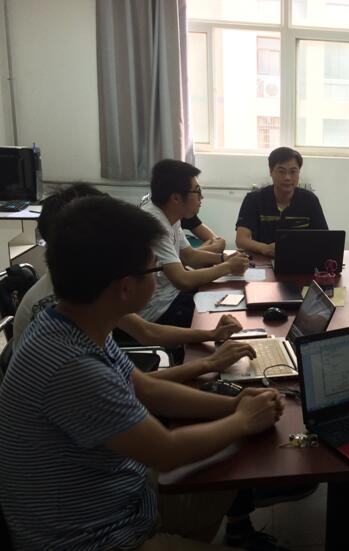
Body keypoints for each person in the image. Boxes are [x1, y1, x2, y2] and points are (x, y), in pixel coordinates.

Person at [0, 195, 284, 550]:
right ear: (125, 288)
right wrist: (242, 420)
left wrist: (234, 405)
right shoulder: (71, 365)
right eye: (155, 271)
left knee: (226, 468)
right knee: (226, 453)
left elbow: (146, 388)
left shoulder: (74, 323)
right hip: (97, 539)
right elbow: (165, 451)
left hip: (123, 497)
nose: (159, 278)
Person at [12, 184, 253, 384]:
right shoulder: (60, 312)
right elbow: (137, 390)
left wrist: (211, 335)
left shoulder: (89, 292)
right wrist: (209, 364)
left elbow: (144, 336)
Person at [140, 159, 251, 327]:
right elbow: (182, 280)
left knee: (232, 298)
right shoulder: (155, 224)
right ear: (176, 198)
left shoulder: (169, 213)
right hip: (158, 312)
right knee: (229, 318)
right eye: (197, 191)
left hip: (172, 296)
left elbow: (189, 256)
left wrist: (224, 259)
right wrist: (228, 267)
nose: (201, 197)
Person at [235, 147, 327, 257]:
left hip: (300, 259)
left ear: (299, 172)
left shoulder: (310, 200)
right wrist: (264, 248)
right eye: (281, 171)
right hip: (263, 260)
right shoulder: (254, 199)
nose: (287, 177)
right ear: (271, 171)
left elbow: (324, 238)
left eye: (293, 172)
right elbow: (241, 240)